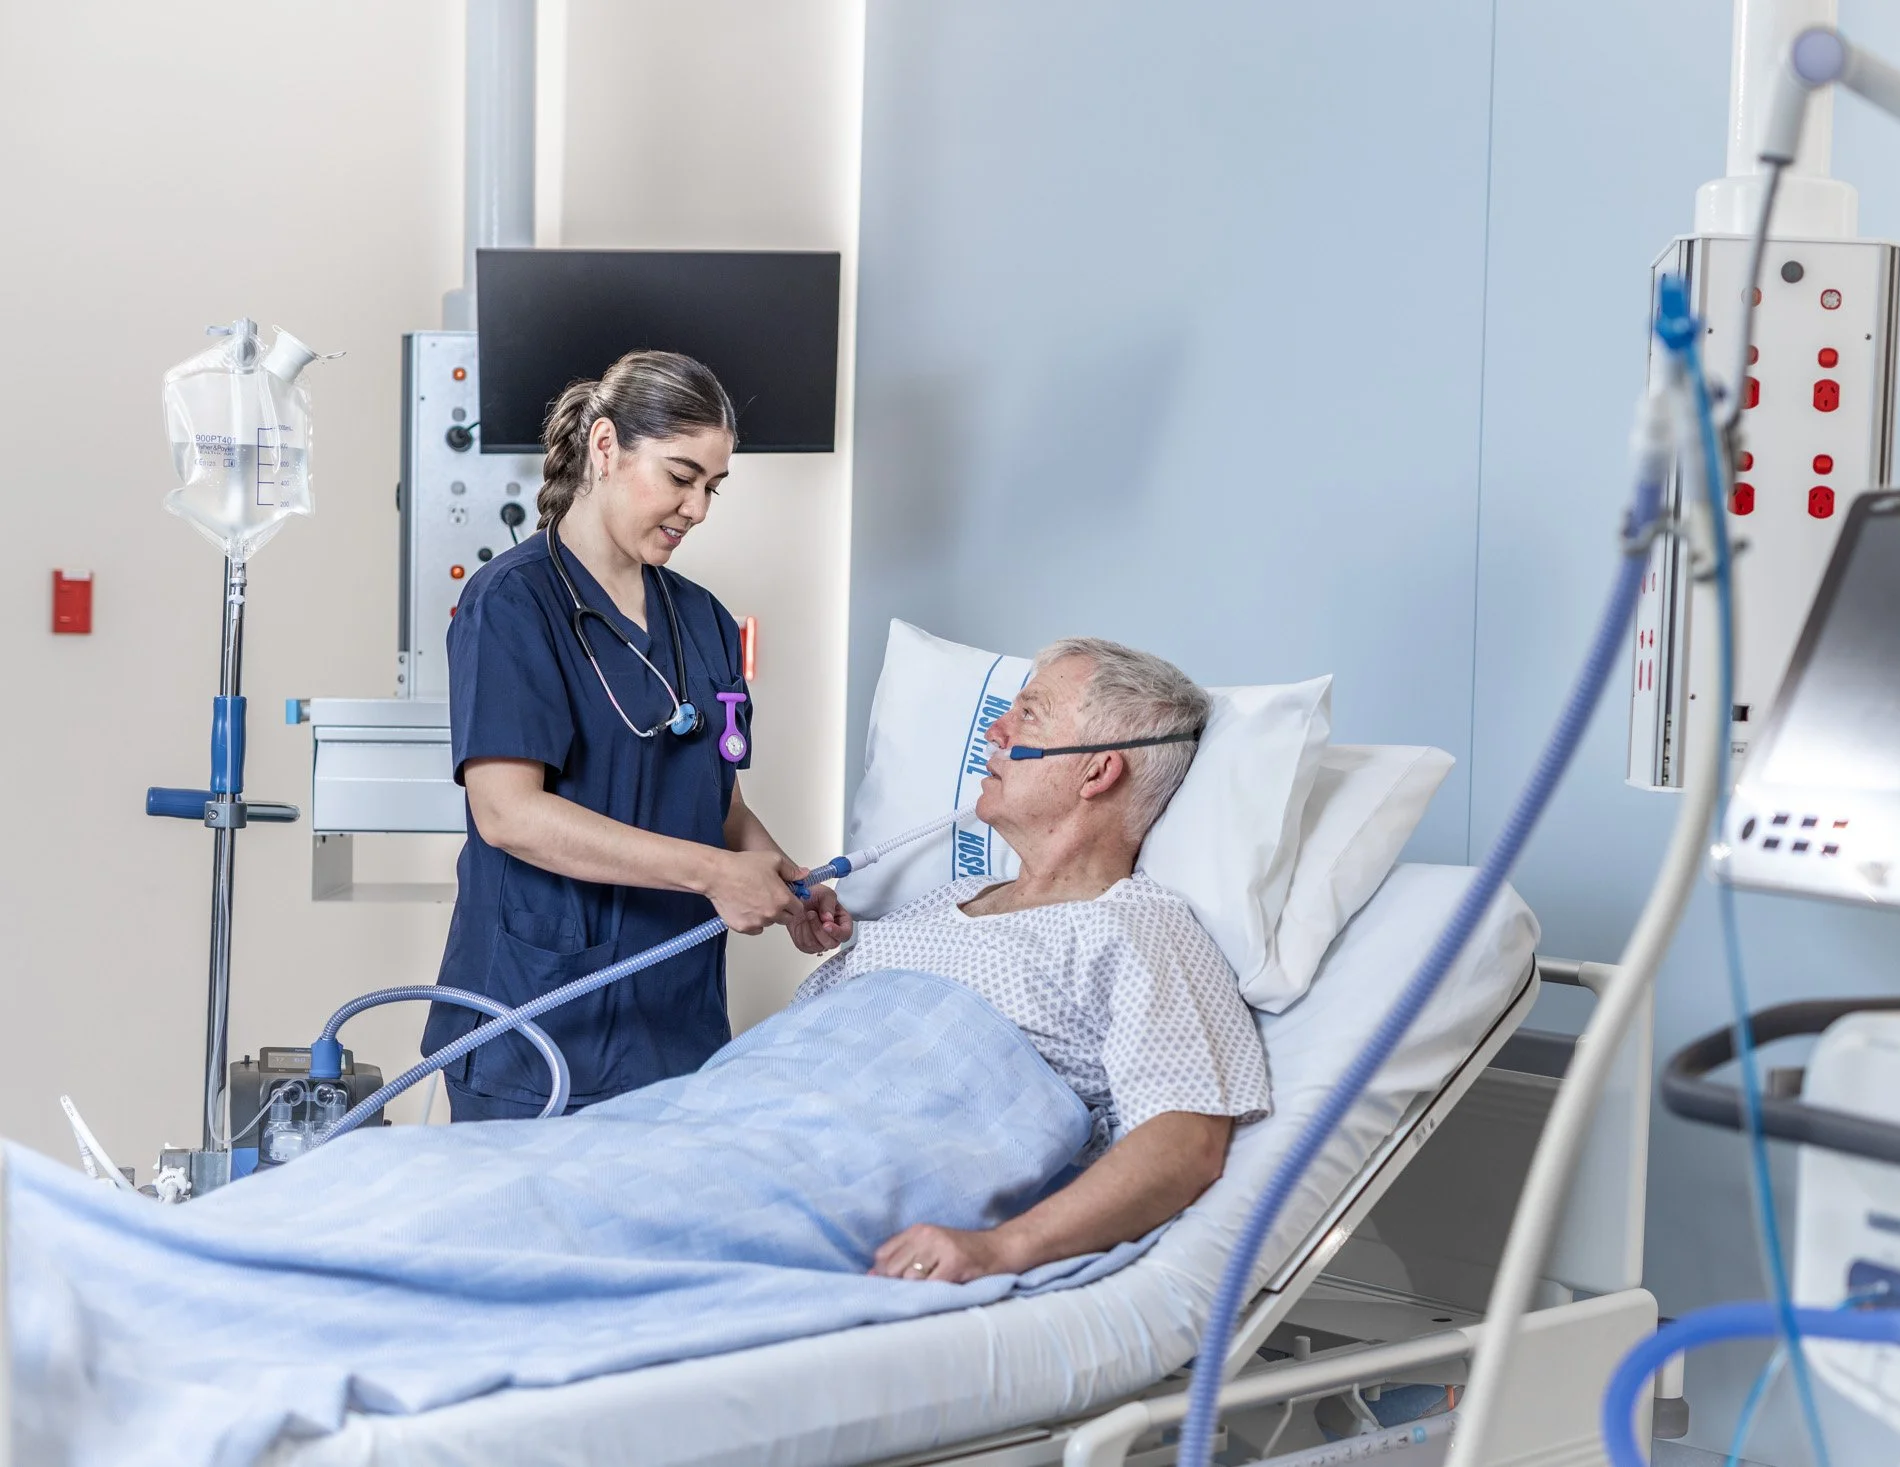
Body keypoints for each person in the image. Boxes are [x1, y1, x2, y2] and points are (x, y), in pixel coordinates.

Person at [430, 350, 850, 1122]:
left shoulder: (705, 621)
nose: (697, 508)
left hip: (676, 1030)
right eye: (680, 476)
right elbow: (508, 814)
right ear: (604, 447)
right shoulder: (514, 606)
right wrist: (714, 875)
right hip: (540, 1023)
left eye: (712, 488)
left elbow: (720, 808)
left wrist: (785, 885)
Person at [796, 637, 1272, 1283]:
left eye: (1029, 715)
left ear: (1097, 772)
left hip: (840, 1181)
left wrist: (998, 1249)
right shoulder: (945, 900)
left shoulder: (1139, 928)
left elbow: (1183, 1145)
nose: (995, 730)